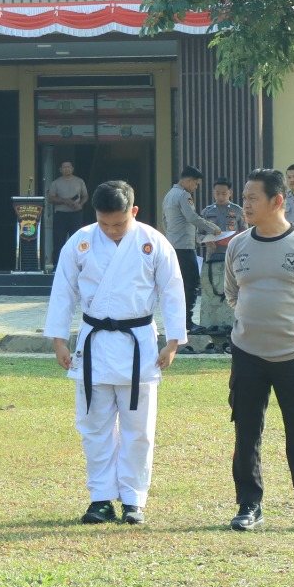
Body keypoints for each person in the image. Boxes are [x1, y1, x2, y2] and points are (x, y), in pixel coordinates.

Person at [44, 180, 185, 526]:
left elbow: (172, 291)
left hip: (138, 343)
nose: (111, 230)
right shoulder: (80, 241)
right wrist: (59, 339)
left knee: (139, 428)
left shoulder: (153, 242)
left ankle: (134, 500)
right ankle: (101, 499)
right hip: (94, 343)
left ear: (133, 211)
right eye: (104, 223)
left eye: (119, 224)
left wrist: (173, 342)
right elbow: (63, 291)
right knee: (94, 426)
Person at [223, 168, 294, 534]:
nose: (245, 204)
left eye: (252, 198)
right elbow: (233, 295)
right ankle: (249, 506)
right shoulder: (238, 245)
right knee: (246, 433)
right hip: (247, 354)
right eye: (244, 198)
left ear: (277, 201)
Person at [161, 166, 221, 334]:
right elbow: (192, 217)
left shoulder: (169, 195)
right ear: (188, 181)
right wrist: (212, 228)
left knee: (177, 285)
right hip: (184, 249)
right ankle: (187, 322)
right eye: (196, 184)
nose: (195, 188)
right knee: (192, 283)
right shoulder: (183, 195)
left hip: (173, 246)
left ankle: (177, 321)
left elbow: (165, 221)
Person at [197, 178, 246, 335]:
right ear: (213, 193)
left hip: (232, 258)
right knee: (212, 292)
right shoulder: (206, 212)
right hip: (212, 257)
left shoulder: (238, 211)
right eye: (217, 193)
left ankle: (233, 324)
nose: (220, 196)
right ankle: (212, 324)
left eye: (224, 193)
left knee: (232, 292)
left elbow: (245, 233)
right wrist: (205, 241)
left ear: (230, 193)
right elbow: (198, 235)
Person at [45, 160, 89, 255]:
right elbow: (50, 198)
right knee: (59, 241)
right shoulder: (56, 183)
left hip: (76, 214)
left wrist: (80, 204)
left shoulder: (79, 181)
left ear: (72, 169)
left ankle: (77, 262)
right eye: (64, 167)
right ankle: (57, 262)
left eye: (68, 167)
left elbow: (85, 196)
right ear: (60, 170)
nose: (67, 169)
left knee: (77, 240)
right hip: (61, 215)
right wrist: (65, 201)